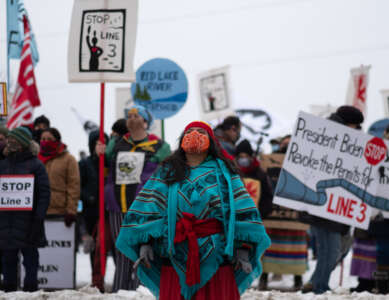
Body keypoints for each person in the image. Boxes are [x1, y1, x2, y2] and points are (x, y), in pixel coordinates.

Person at [116, 121, 270, 300]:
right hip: (173, 254)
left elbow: (243, 213)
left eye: (200, 132)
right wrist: (145, 243)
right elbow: (149, 210)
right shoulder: (167, 171)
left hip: (218, 258)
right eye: (190, 131)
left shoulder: (226, 174)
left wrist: (244, 247)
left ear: (211, 141)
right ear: (182, 139)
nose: (195, 135)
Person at [107, 105, 171, 292]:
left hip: (144, 206)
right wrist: (100, 149)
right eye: (129, 115)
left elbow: (167, 172)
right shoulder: (118, 143)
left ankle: (141, 292)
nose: (132, 118)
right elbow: (103, 162)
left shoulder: (160, 146)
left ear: (145, 121)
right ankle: (119, 291)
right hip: (118, 204)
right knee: (121, 250)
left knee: (142, 251)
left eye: (136, 115)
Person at [301, 105, 364, 294]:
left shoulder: (344, 137)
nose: (357, 129)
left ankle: (318, 284)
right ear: (348, 123)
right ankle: (319, 286)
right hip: (323, 203)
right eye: (355, 125)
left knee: (332, 250)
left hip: (336, 204)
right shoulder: (328, 136)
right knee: (330, 249)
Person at [0, 127, 50, 292]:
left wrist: (38, 218)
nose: (10, 142)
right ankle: (8, 293)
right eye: (10, 139)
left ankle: (31, 292)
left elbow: (44, 194)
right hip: (6, 224)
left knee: (30, 261)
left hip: (29, 223)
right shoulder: (3, 165)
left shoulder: (37, 165)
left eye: (14, 140)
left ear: (22, 143)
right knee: (8, 262)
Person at [258, 136, 309, 291]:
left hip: (294, 217)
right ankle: (264, 278)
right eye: (284, 143)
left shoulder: (304, 161)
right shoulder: (270, 161)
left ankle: (298, 279)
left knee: (296, 248)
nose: (286, 146)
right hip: (273, 215)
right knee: (269, 248)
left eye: (289, 143)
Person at [79, 130, 112, 292]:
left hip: (108, 209)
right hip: (92, 210)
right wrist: (89, 197)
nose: (101, 146)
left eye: (104, 142)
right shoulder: (85, 164)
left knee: (106, 244)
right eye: (98, 143)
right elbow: (79, 185)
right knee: (95, 247)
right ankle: (97, 279)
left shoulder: (109, 161)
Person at [370, 123, 389, 294]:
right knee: (385, 251)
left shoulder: (379, 155)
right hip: (385, 217)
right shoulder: (382, 156)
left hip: (383, 217)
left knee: (384, 253)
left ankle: (383, 289)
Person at [38, 128, 80, 226]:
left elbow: (73, 186)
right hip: (39, 211)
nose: (45, 142)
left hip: (60, 212)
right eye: (43, 139)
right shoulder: (36, 159)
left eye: (49, 139)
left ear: (57, 141)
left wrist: (71, 211)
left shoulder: (69, 159)